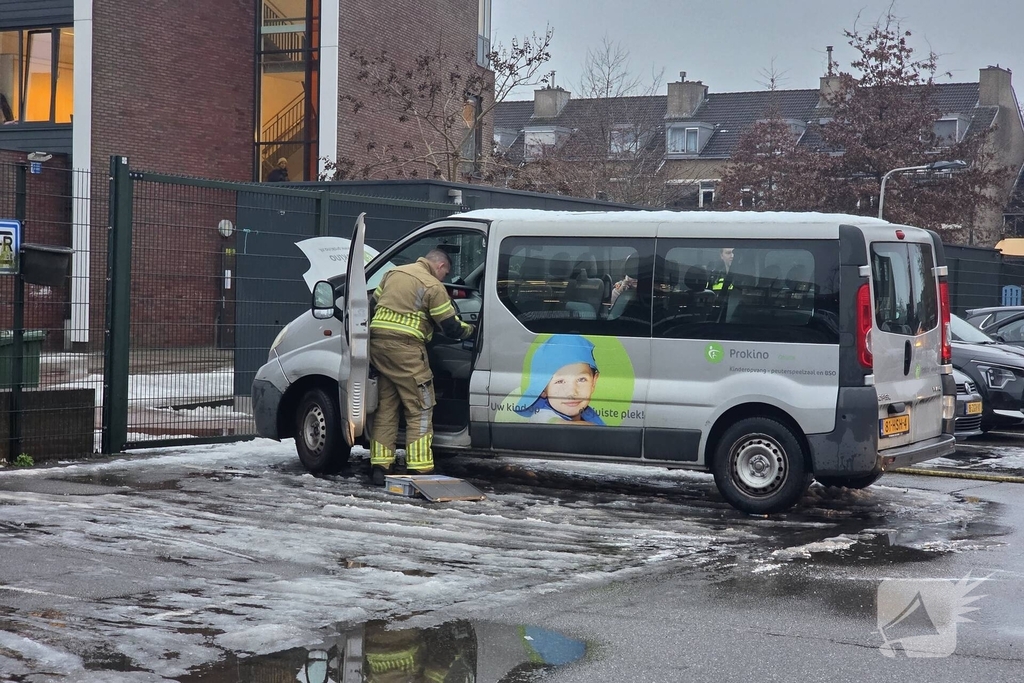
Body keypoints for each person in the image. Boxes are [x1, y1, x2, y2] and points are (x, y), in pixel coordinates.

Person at [368, 248, 475, 484]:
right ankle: (420, 468)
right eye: (445, 273)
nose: (444, 278)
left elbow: (372, 305)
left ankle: (380, 467)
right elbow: (451, 328)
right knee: (421, 406)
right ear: (439, 266)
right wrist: (473, 331)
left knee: (387, 407)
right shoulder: (432, 286)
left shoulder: (393, 273)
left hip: (378, 347)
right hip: (406, 350)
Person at [514, 335, 604, 425]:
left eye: (581, 379)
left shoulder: (588, 414)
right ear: (543, 389)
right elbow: (555, 424)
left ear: (594, 381)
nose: (571, 393)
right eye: (560, 381)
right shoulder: (541, 415)